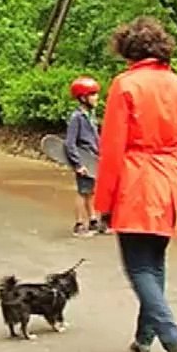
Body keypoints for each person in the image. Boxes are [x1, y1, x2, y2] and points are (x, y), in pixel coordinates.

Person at [94, 16, 177, 352]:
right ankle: (144, 337)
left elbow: (111, 150)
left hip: (136, 181)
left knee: (138, 267)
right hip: (170, 180)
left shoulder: (125, 86)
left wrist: (103, 204)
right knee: (154, 264)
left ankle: (172, 338)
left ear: (128, 51)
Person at [65, 76, 103, 238]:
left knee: (91, 191)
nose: (96, 98)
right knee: (82, 191)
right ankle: (79, 224)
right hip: (83, 159)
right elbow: (70, 143)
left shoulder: (90, 115)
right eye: (93, 94)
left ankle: (93, 220)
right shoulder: (77, 117)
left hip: (92, 158)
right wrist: (77, 164)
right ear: (82, 97)